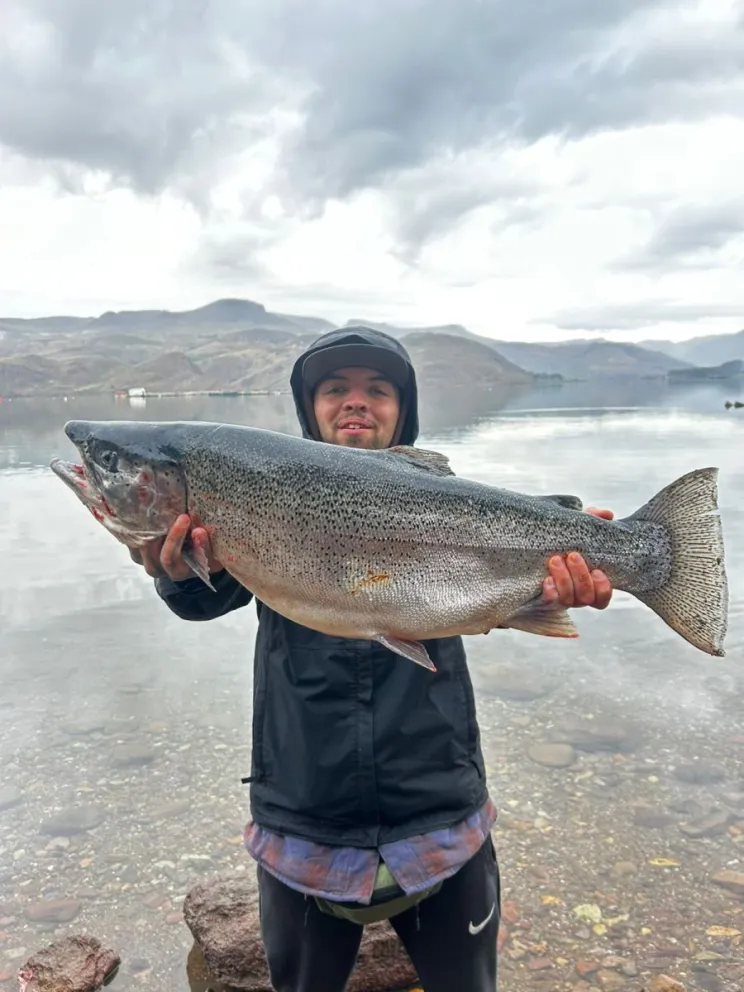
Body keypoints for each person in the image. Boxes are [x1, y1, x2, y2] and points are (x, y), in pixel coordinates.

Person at [131, 327, 614, 992]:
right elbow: (198, 603)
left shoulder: (446, 499)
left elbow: (531, 570)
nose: (355, 402)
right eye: (335, 389)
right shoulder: (258, 494)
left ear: (403, 408)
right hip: (304, 821)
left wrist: (564, 577)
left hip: (441, 815)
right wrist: (176, 568)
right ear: (310, 409)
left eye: (377, 389)